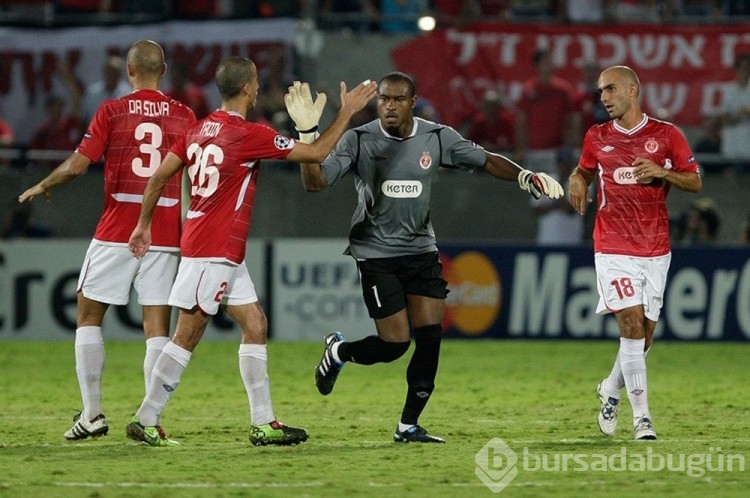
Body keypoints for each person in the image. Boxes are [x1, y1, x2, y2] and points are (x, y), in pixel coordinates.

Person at [296, 71, 564, 443]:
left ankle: (408, 425)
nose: (389, 106)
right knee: (394, 345)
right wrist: (308, 136)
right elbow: (315, 182)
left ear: (412, 102)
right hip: (376, 254)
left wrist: (525, 177)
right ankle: (338, 351)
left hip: (421, 250)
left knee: (431, 336)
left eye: (397, 100)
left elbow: (484, 159)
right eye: (383, 99)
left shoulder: (436, 137)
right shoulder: (358, 140)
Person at [125, 56, 377, 447]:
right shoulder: (248, 134)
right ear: (247, 88)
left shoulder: (196, 131)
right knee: (187, 334)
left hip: (219, 249)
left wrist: (143, 223)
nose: (259, 88)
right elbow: (316, 155)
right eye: (257, 82)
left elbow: (158, 176)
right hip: (214, 249)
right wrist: (346, 112)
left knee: (255, 324)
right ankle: (146, 417)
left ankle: (263, 423)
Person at [18, 40, 196, 441]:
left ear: (130, 72)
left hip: (118, 228)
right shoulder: (184, 115)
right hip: (165, 232)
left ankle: (94, 413)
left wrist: (45, 182)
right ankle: (149, 420)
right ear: (163, 70)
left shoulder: (113, 111)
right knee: (156, 328)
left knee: (88, 316)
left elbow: (79, 165)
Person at [569, 65, 702, 441]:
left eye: (610, 89)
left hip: (655, 248)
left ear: (633, 89)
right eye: (600, 91)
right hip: (612, 245)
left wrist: (663, 172)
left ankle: (610, 390)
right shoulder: (596, 137)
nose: (604, 98)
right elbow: (582, 171)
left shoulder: (666, 134)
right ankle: (642, 418)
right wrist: (576, 181)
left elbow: (694, 180)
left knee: (643, 338)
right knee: (629, 324)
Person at [514, 48, 580, 176]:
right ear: (536, 65)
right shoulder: (528, 90)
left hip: (559, 149)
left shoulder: (563, 89)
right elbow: (521, 120)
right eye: (546, 62)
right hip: (535, 149)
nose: (550, 64)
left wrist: (574, 143)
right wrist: (520, 148)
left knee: (560, 187)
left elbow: (573, 117)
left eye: (551, 61)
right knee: (539, 190)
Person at [719, 53, 750, 173]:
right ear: (736, 70)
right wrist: (737, 115)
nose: (745, 73)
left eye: (747, 69)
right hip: (734, 144)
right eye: (742, 69)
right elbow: (724, 119)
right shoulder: (728, 91)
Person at [80, 56, 131, 125]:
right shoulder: (92, 93)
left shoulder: (129, 93)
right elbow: (84, 118)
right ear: (104, 72)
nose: (112, 76)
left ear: (120, 74)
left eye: (115, 72)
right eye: (109, 72)